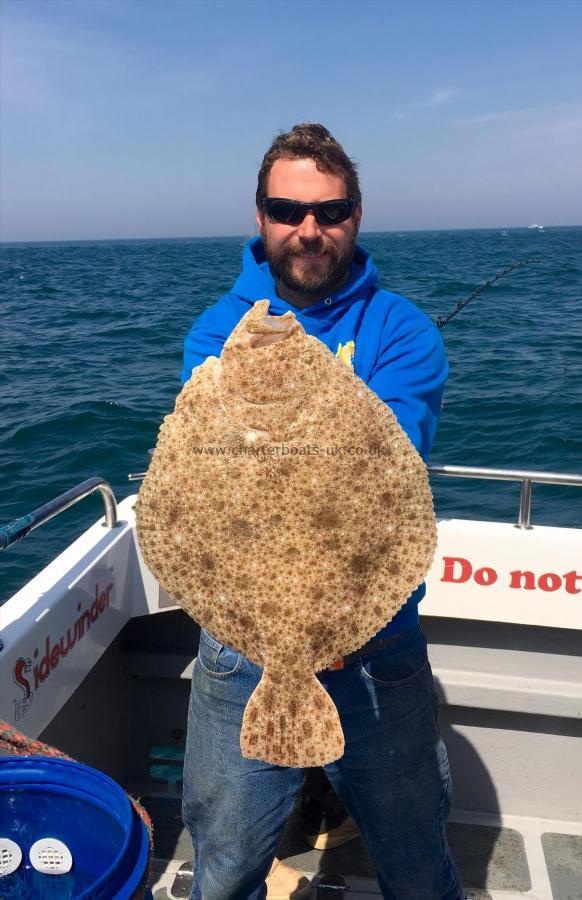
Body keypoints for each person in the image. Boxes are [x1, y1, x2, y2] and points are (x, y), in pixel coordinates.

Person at [179, 123, 464, 900]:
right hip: (245, 653)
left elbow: (387, 473)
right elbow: (201, 489)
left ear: (356, 215)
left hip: (380, 647)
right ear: (261, 216)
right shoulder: (214, 331)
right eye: (287, 209)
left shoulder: (403, 332)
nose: (309, 229)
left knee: (414, 860)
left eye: (330, 212)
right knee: (226, 864)